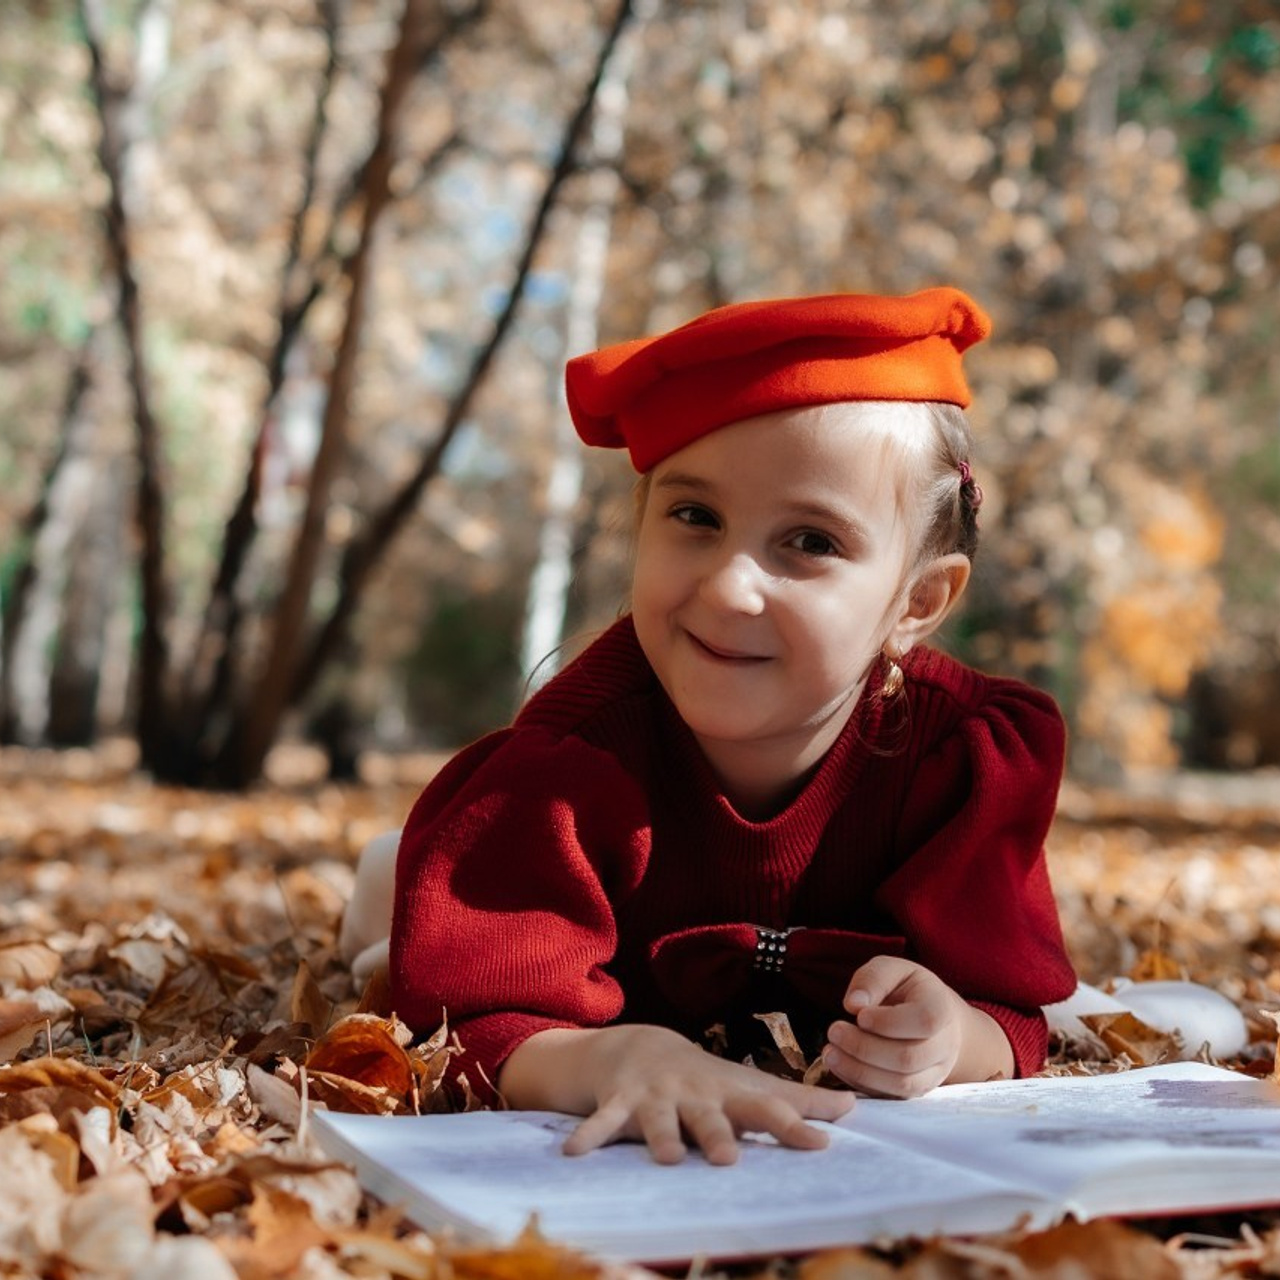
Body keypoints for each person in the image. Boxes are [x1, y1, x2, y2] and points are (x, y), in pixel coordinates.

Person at [375, 287, 1082, 1165]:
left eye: (810, 543)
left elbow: (1009, 1012)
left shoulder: (959, 757)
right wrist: (610, 1054)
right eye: (695, 519)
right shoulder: (568, 769)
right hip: (533, 894)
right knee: (393, 924)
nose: (727, 588)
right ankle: (388, 878)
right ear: (642, 527)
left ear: (917, 601)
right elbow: (475, 1022)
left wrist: (952, 1038)